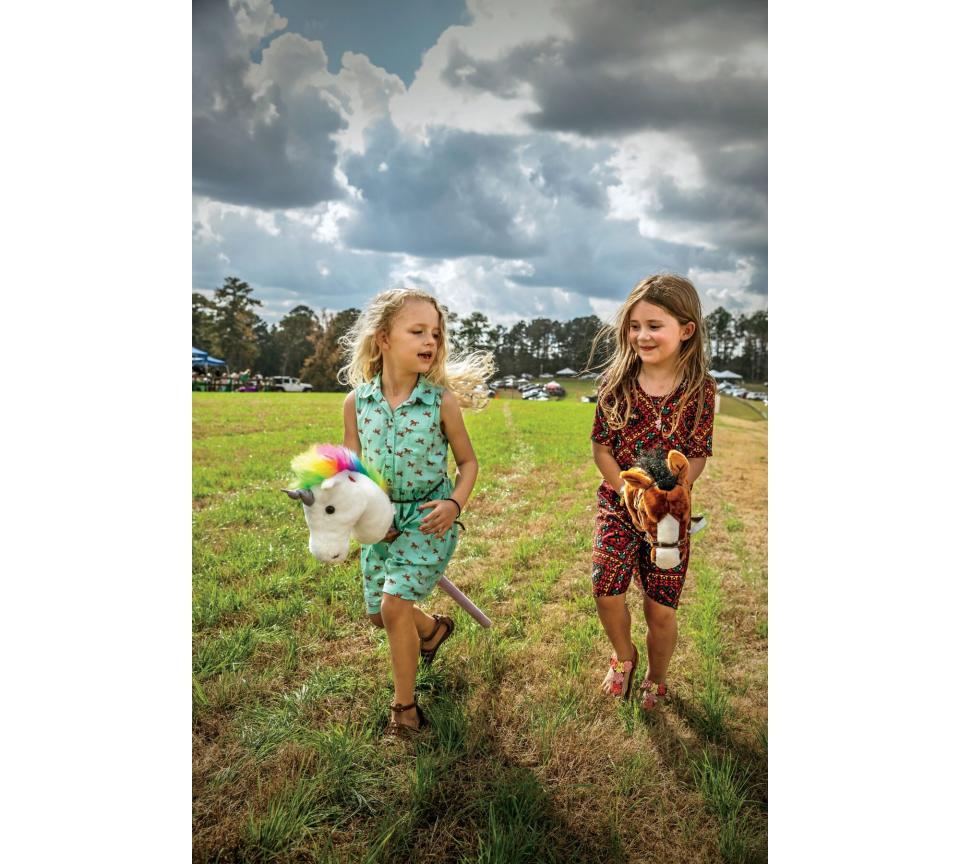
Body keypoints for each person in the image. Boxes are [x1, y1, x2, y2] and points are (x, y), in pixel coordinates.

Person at [340, 287, 494, 737]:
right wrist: (365, 513)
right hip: (380, 523)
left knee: (392, 607)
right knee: (379, 614)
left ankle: (404, 708)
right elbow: (353, 471)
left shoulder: (439, 401)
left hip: (430, 518)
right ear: (383, 338)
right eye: (418, 331)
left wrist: (453, 503)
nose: (431, 340)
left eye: (436, 332)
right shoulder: (356, 403)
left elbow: (468, 464)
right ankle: (431, 632)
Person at [587, 274, 715, 708]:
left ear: (686, 330)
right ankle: (624, 656)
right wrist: (628, 492)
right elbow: (602, 449)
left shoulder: (700, 392)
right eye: (635, 325)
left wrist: (671, 494)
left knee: (660, 608)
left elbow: (696, 455)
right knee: (607, 588)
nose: (642, 335)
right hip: (619, 504)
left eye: (654, 325)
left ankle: (656, 678)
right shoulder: (615, 384)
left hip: (668, 520)